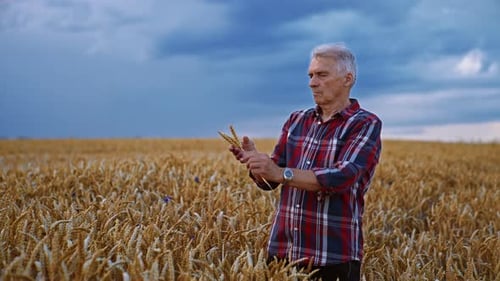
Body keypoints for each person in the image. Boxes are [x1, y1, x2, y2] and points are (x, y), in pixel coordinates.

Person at [230, 43, 382, 281]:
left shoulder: (364, 124)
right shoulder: (296, 120)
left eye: (322, 75)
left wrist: (280, 173)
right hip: (283, 254)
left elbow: (341, 176)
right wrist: (257, 165)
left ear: (348, 78)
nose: (312, 82)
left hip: (332, 258)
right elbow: (271, 180)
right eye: (311, 75)